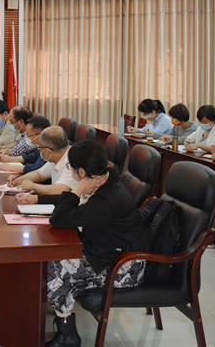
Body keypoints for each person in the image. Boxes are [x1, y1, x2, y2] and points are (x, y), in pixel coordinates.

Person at [15, 140, 149, 347]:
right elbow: (75, 206)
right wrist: (37, 199)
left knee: (56, 266)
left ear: (82, 171)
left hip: (124, 266)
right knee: (55, 258)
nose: (71, 171)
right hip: (108, 251)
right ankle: (57, 318)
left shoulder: (106, 199)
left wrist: (77, 190)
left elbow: (59, 218)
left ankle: (67, 336)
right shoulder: (105, 180)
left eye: (72, 167)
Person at [6, 126, 77, 195]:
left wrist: (32, 186)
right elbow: (39, 175)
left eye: (39, 147)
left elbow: (59, 190)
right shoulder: (55, 156)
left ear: (48, 152)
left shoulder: (71, 160)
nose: (38, 150)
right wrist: (19, 179)